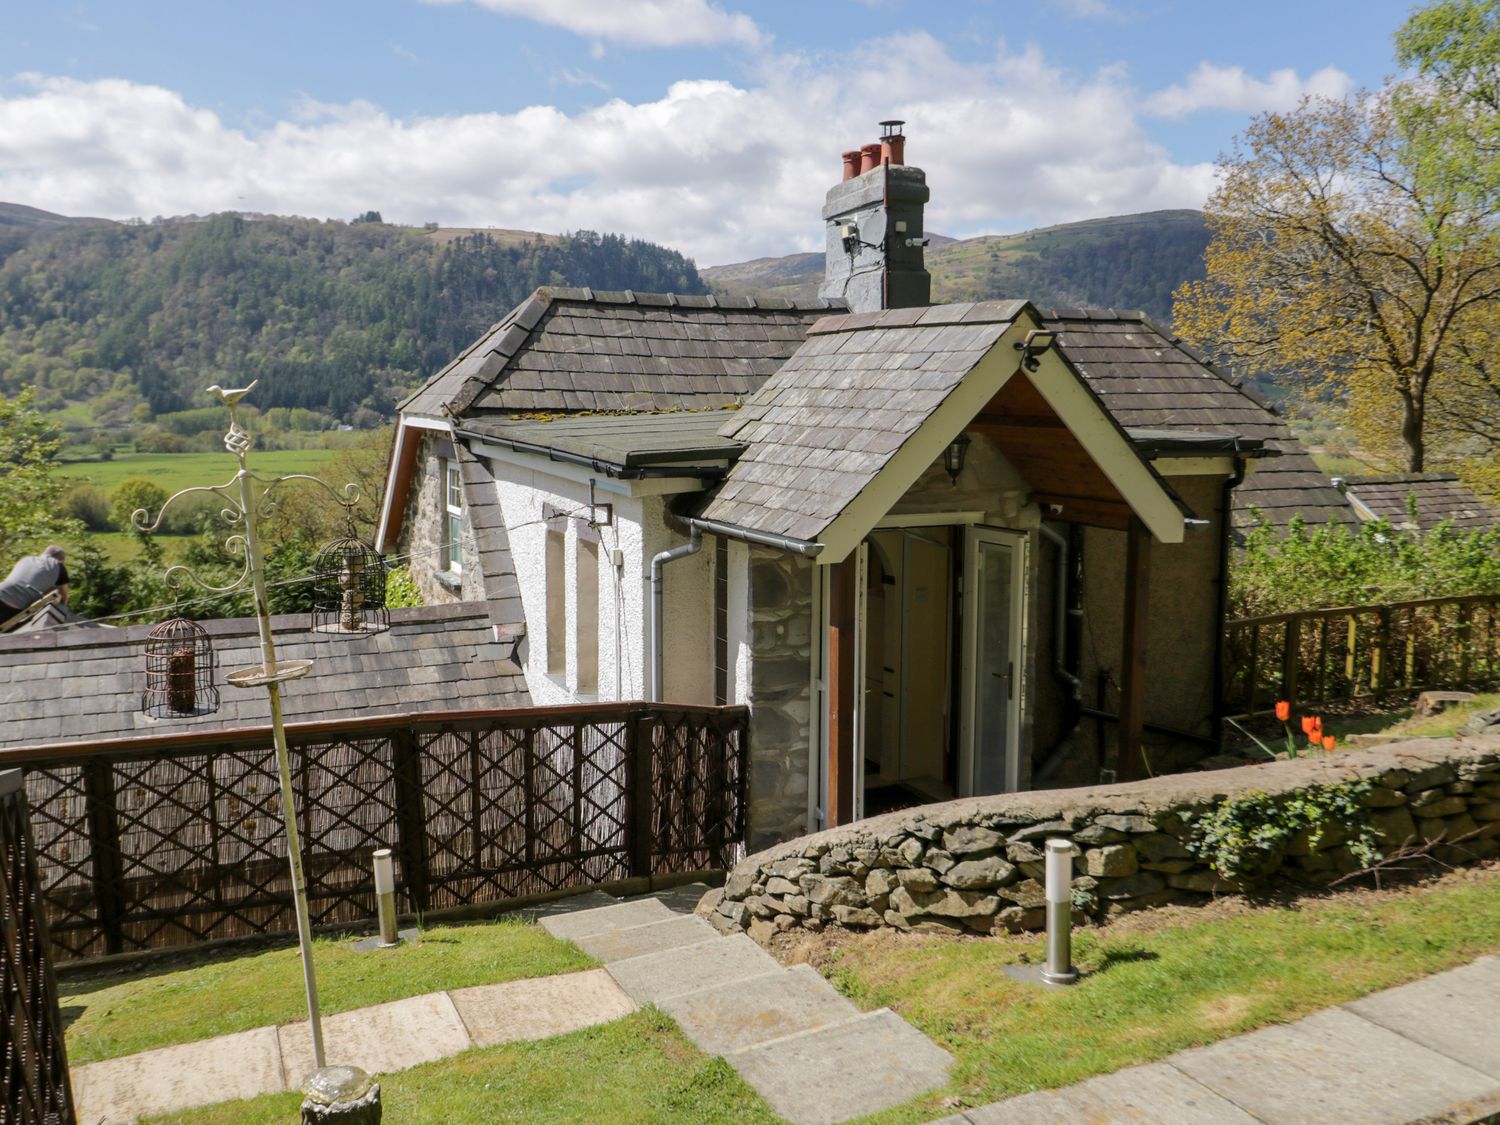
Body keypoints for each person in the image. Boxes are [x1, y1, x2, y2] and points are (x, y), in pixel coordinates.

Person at [0, 546, 70, 631]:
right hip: (15, 603)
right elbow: (64, 596)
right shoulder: (59, 567)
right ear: (62, 560)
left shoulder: (26, 559)